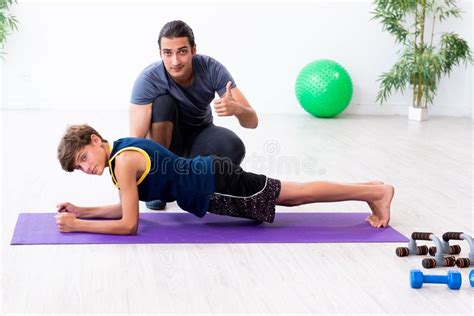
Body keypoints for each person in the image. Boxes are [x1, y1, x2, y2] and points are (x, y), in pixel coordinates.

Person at [55, 124, 395, 235]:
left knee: (294, 195)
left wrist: (77, 226)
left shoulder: (124, 162)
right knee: (292, 193)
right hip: (211, 179)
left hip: (215, 183)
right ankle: (370, 188)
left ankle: (376, 192)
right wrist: (81, 210)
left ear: (95, 141)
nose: (85, 167)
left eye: (84, 157)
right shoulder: (120, 155)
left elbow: (130, 224)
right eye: (78, 167)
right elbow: (121, 208)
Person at [129, 20, 258, 210]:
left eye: (182, 51)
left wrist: (237, 110)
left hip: (200, 134)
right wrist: (140, 180)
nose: (175, 61)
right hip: (165, 143)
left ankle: (191, 183)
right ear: (160, 54)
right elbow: (136, 140)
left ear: (193, 50)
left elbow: (252, 122)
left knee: (233, 147)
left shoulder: (211, 68)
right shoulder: (148, 79)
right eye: (168, 53)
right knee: (163, 103)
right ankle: (160, 181)